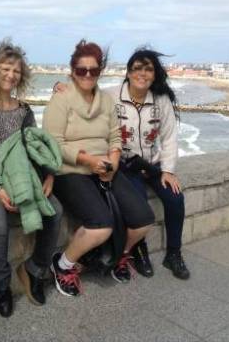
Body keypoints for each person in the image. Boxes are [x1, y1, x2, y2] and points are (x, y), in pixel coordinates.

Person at [43, 40, 155, 297]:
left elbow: (115, 136)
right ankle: (63, 265)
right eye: (82, 70)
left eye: (93, 70)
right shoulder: (61, 100)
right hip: (70, 170)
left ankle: (118, 255)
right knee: (100, 225)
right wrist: (88, 160)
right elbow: (53, 144)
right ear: (72, 71)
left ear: (100, 71)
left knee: (143, 219)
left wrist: (113, 160)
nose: (87, 75)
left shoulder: (105, 100)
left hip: (105, 168)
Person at [0, 39, 63, 317]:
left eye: (16, 71)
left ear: (22, 75)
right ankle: (2, 286)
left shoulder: (24, 111)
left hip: (19, 174)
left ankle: (34, 269)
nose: (10, 75)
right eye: (5, 68)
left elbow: (35, 146)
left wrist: (49, 175)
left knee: (55, 211)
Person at [109, 47, 190, 280]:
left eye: (148, 69)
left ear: (155, 75)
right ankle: (139, 250)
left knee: (175, 198)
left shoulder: (161, 100)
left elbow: (169, 136)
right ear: (128, 71)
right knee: (138, 204)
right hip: (125, 165)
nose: (142, 73)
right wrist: (59, 88)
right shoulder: (112, 95)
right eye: (137, 68)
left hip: (152, 166)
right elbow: (83, 95)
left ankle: (174, 253)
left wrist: (168, 171)